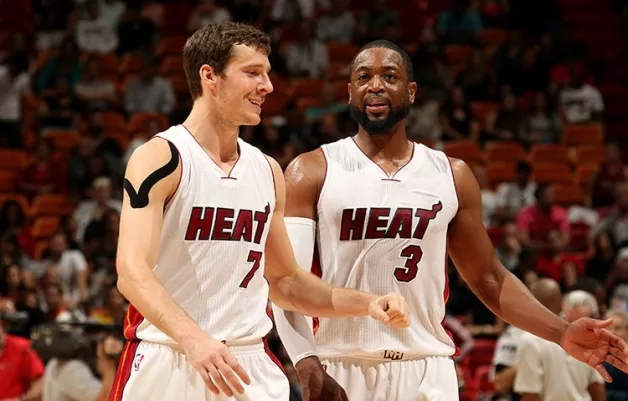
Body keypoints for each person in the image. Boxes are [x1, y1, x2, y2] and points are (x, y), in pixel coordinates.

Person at [271, 40, 628, 401]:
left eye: (389, 76)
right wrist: (306, 361)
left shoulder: (451, 175)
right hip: (341, 364)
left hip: (427, 368)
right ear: (350, 92)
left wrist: (561, 332)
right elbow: (286, 281)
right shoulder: (311, 170)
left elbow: (489, 278)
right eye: (363, 77)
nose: (375, 85)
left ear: (411, 92)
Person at [109, 23, 410, 401]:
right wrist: (193, 339)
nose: (266, 86)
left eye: (266, 74)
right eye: (252, 73)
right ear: (209, 76)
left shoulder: (267, 170)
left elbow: (285, 282)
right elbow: (131, 272)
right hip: (171, 355)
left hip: (247, 362)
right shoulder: (162, 157)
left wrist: (367, 303)